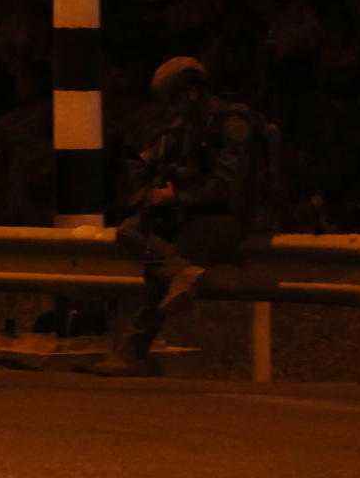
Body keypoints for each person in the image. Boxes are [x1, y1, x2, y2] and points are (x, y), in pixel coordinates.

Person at [92, 56, 260, 377]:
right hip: (191, 212)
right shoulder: (185, 126)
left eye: (175, 99)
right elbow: (157, 158)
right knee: (131, 232)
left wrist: (177, 196)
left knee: (161, 265)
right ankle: (179, 273)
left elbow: (226, 186)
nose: (173, 108)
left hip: (225, 219)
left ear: (192, 93)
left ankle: (134, 350)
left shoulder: (232, 125)